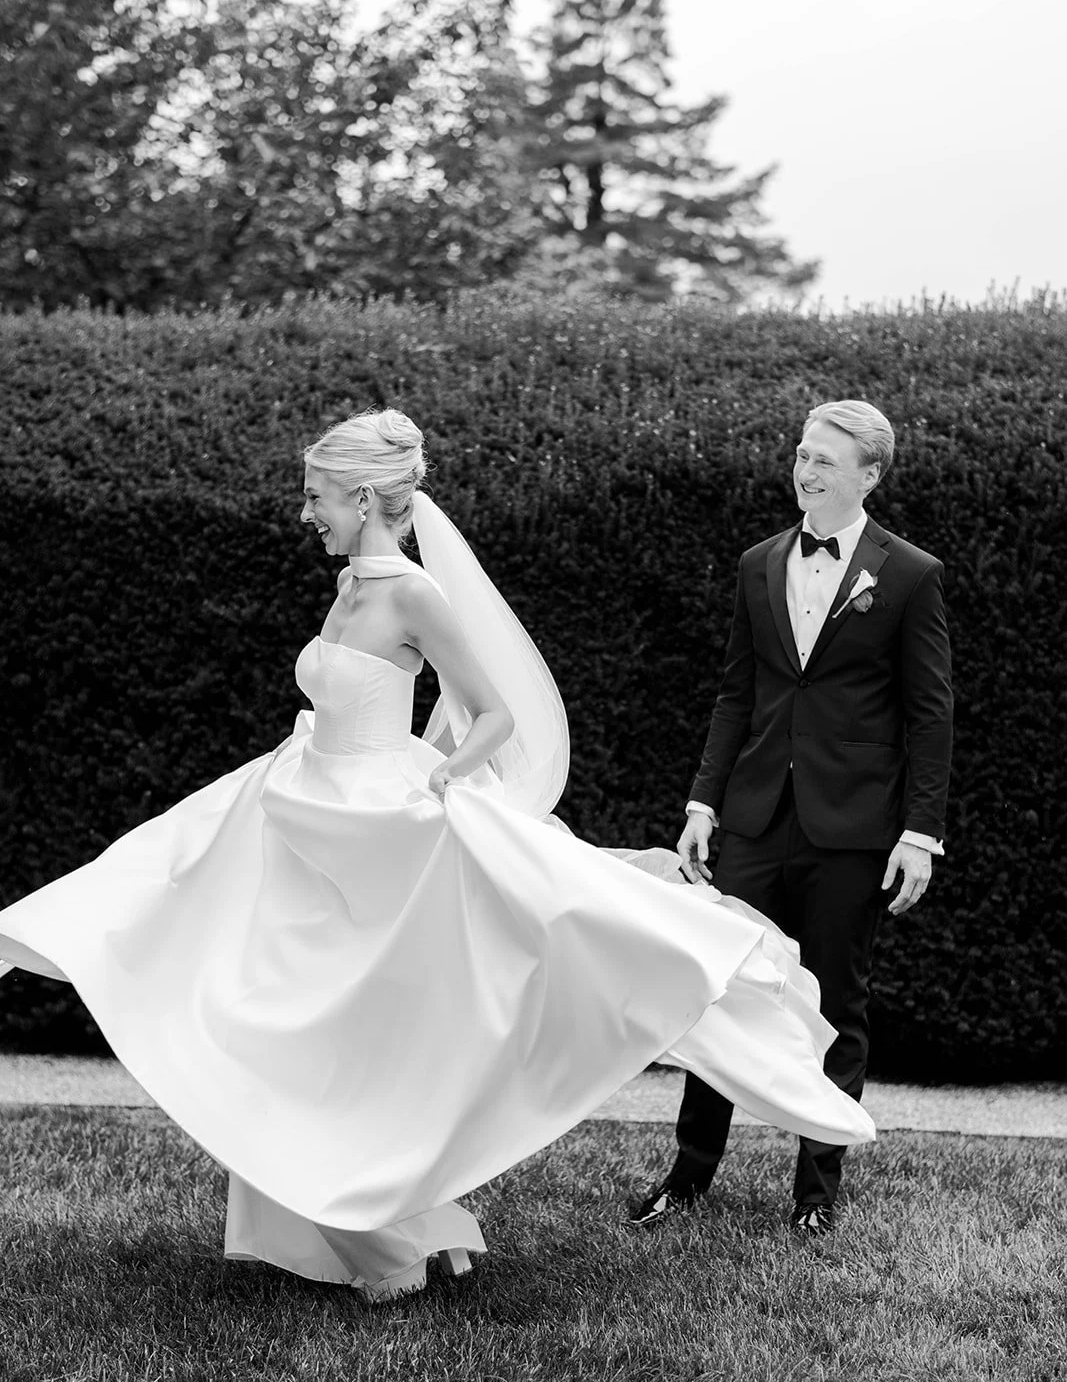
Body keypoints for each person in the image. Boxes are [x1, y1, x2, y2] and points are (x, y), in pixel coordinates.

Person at [0, 407, 875, 1303]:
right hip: (312, 811)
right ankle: (336, 1221)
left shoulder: (414, 593)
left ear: (368, 497)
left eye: (317, 498)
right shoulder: (345, 589)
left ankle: (384, 1219)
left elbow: (491, 713)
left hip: (382, 824)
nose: (307, 515)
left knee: (376, 1019)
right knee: (280, 998)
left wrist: (441, 777)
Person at [630, 399, 953, 1236]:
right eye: (802, 455)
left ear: (868, 475)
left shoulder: (911, 574)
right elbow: (737, 692)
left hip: (852, 830)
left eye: (825, 461)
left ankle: (816, 1194)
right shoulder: (757, 563)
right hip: (752, 817)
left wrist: (919, 833)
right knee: (721, 991)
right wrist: (702, 801)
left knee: (836, 1003)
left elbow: (930, 715)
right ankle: (689, 1175)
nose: (805, 471)